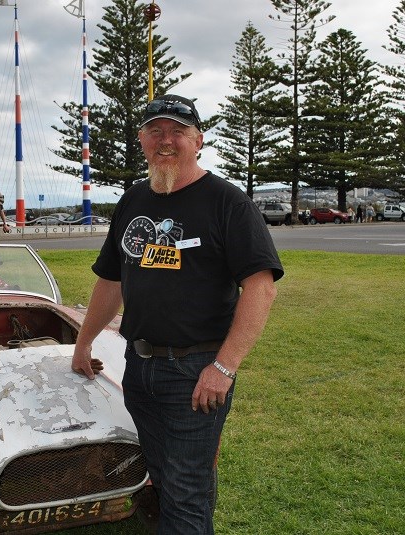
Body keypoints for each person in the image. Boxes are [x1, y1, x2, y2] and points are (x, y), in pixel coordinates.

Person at [70, 94, 284, 534]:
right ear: (142, 141)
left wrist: (223, 367)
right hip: (139, 368)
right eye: (155, 131)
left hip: (196, 371)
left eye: (178, 132)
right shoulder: (132, 203)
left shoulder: (228, 203)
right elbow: (111, 281)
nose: (166, 141)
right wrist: (84, 341)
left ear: (198, 140)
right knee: (167, 481)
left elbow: (260, 289)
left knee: (185, 489)